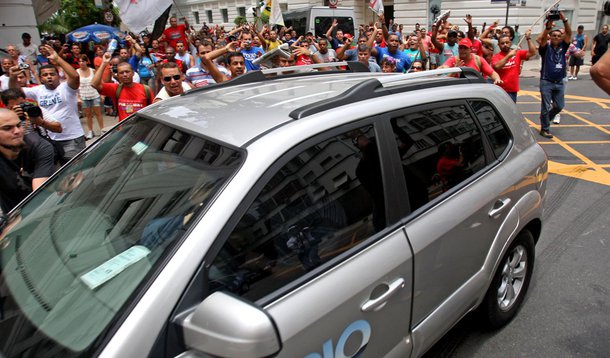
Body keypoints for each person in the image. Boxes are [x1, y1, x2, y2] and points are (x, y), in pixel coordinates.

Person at [8, 44, 85, 165]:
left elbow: (75, 76)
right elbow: (15, 93)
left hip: (72, 138)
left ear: (57, 76)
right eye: (45, 75)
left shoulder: (66, 88)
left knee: (76, 170)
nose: (49, 77)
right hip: (51, 139)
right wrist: (12, 77)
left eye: (52, 74)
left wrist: (57, 59)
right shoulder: (38, 90)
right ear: (41, 78)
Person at [0, 108, 55, 213]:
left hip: (48, 210)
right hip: (13, 218)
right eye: (7, 128)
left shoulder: (39, 146)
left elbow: (38, 192)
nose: (17, 131)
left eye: (18, 125)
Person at [536, 12, 571, 139]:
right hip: (546, 81)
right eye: (554, 36)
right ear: (550, 37)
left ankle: (545, 118)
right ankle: (544, 129)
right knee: (545, 106)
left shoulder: (564, 47)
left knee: (559, 106)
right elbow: (543, 39)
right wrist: (548, 27)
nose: (556, 37)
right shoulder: (545, 48)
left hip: (559, 82)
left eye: (558, 36)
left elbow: (569, 33)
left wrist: (564, 20)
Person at [91, 52, 154, 122]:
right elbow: (94, 84)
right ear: (117, 75)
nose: (125, 75)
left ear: (133, 73)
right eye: (121, 73)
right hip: (123, 130)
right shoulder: (115, 89)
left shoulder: (146, 89)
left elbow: (153, 111)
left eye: (127, 72)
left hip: (142, 130)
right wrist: (104, 63)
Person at [492, 31, 537, 102]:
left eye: (507, 42)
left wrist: (528, 38)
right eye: (502, 43)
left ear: (511, 43)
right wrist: (509, 56)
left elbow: (533, 52)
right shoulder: (496, 57)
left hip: (512, 90)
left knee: (511, 111)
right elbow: (497, 66)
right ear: (498, 45)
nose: (505, 45)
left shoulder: (517, 53)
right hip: (500, 90)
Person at [77, 55, 104, 139]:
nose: (81, 63)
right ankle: (90, 131)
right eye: (80, 61)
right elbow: (76, 86)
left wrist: (102, 94)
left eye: (83, 61)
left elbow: (100, 82)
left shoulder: (93, 71)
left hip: (94, 94)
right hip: (83, 96)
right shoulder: (76, 72)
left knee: (98, 113)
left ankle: (102, 130)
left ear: (87, 62)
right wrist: (78, 97)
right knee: (88, 115)